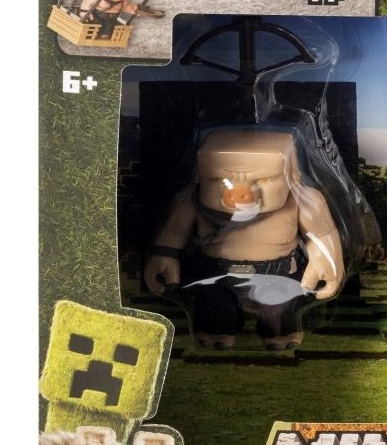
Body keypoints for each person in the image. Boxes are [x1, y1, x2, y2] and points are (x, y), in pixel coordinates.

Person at [144, 130, 344, 351]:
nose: (240, 192)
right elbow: (174, 231)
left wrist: (325, 261)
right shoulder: (192, 199)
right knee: (215, 305)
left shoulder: (302, 200)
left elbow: (322, 235)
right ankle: (218, 329)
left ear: (292, 174)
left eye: (262, 180)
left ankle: (280, 330)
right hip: (215, 272)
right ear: (200, 174)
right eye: (219, 179)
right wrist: (165, 255)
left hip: (278, 274)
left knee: (279, 308)